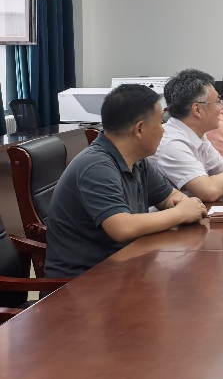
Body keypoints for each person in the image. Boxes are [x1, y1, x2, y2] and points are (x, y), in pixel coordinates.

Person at [44, 84, 207, 278]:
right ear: (140, 129)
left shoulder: (137, 161)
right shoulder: (96, 166)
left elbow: (169, 197)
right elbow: (122, 227)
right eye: (160, 122)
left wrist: (181, 206)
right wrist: (180, 213)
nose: (164, 130)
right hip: (83, 282)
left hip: (123, 267)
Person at [153, 69, 223, 202]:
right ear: (197, 109)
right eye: (218, 102)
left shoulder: (198, 136)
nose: (221, 108)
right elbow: (209, 191)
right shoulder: (171, 143)